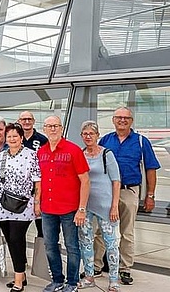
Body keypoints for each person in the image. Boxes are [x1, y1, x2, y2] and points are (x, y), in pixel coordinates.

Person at [96, 107, 160, 285]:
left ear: (131, 121)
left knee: (127, 232)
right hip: (106, 191)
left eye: (126, 118)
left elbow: (151, 169)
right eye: (119, 117)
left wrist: (150, 196)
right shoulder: (106, 140)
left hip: (129, 191)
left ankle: (124, 269)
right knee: (100, 230)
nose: (122, 120)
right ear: (113, 120)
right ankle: (96, 265)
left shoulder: (141, 141)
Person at [37, 116, 90, 292]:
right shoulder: (41, 152)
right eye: (49, 126)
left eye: (55, 126)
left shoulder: (73, 150)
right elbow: (39, 181)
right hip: (48, 209)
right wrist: (38, 202)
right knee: (50, 245)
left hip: (70, 209)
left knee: (72, 246)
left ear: (61, 128)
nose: (52, 129)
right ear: (44, 129)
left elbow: (85, 180)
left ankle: (72, 282)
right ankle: (57, 280)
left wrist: (81, 209)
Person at [0, 123, 41, 291]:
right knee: (10, 240)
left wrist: (37, 202)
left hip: (23, 205)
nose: (12, 139)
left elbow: (38, 181)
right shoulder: (2, 155)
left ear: (21, 138)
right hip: (4, 204)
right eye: (9, 136)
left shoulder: (31, 155)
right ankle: (21, 275)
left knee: (17, 240)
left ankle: (18, 281)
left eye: (15, 136)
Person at [77, 121, 121, 292]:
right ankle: (89, 276)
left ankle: (113, 279)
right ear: (82, 136)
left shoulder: (106, 154)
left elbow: (116, 181)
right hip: (85, 206)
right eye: (85, 134)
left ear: (97, 135)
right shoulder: (80, 154)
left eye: (91, 133)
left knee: (111, 244)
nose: (88, 137)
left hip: (106, 206)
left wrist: (114, 206)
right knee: (85, 242)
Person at [18, 111, 47, 238]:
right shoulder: (15, 139)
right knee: (19, 229)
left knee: (41, 227)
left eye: (29, 119)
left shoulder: (42, 140)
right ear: (19, 121)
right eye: (23, 119)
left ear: (34, 121)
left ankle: (41, 256)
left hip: (39, 186)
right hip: (20, 189)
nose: (26, 121)